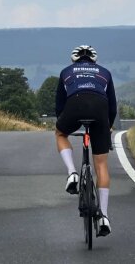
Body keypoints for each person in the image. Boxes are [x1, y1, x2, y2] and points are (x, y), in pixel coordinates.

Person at [55, 45, 117, 237]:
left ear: (74, 60)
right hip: (100, 109)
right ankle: (104, 216)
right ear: (94, 60)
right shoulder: (105, 72)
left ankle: (72, 173)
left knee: (59, 133)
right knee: (101, 165)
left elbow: (59, 105)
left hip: (75, 105)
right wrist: (108, 126)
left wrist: (63, 123)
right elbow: (112, 105)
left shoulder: (66, 72)